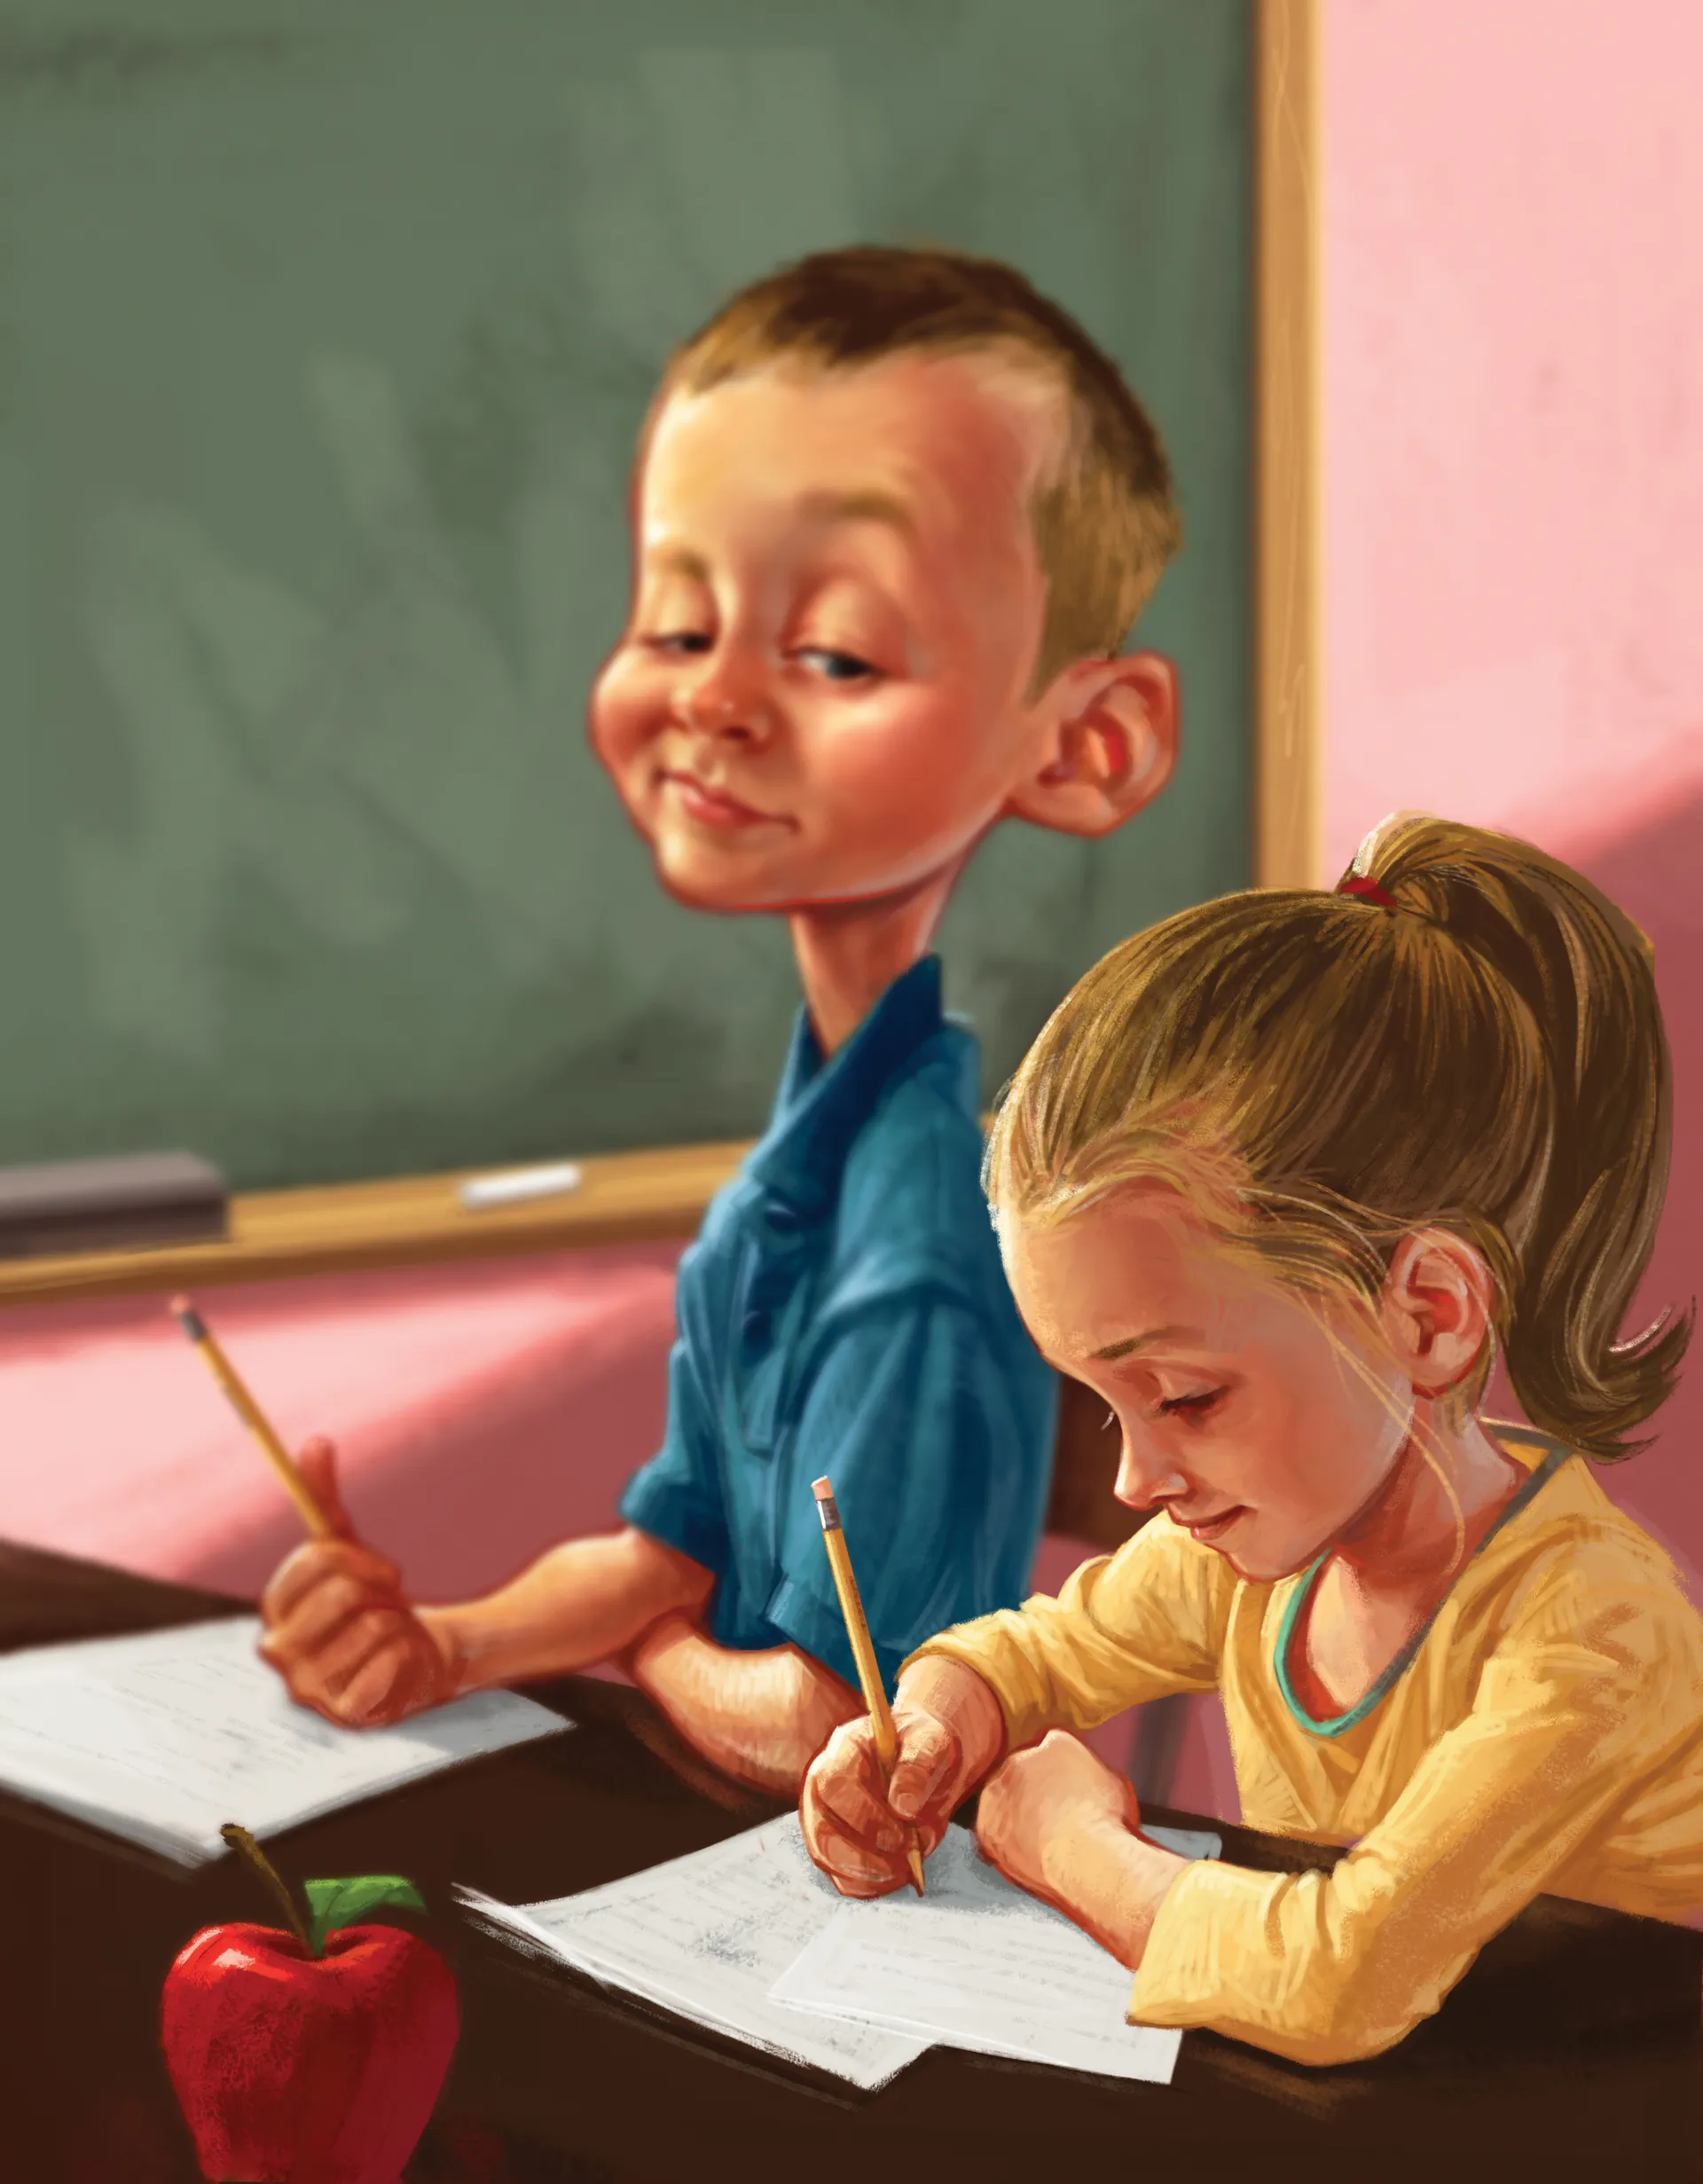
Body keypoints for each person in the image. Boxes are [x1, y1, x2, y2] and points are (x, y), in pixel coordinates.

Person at [255, 246, 1184, 1795]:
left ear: (1084, 740)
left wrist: (649, 1653)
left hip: (869, 1871)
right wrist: (444, 1643)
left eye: (834, 651)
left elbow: (830, 1718)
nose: (714, 699)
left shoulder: (924, 1247)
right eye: (681, 626)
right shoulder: (790, 1180)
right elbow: (668, 1545)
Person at [802, 811, 1703, 2062]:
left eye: (1184, 1397)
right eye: (1104, 1404)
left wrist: (1070, 1846)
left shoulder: (1594, 1629)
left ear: (1428, 1315)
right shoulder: (1251, 1561)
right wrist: (936, 1729)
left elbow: (1343, 1976)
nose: (1134, 1477)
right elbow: (1039, 1652)